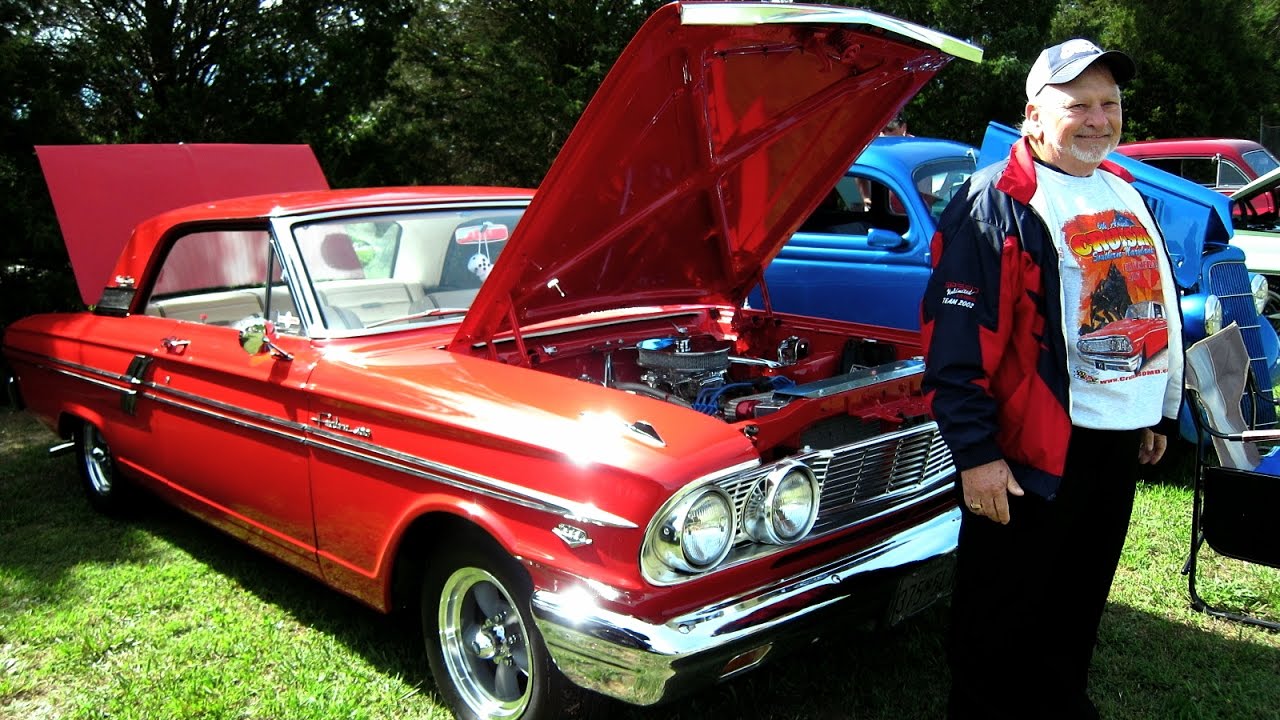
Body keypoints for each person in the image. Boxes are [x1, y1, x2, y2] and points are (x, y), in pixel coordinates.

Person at [920, 39, 1183, 719]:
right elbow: (955, 345)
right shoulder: (995, 201)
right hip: (1030, 450)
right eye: (1079, 106)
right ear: (1034, 115)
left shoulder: (1123, 189)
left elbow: (1155, 305)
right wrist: (976, 456)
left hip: (1115, 438)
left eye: (1110, 103)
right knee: (999, 616)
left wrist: (1156, 411)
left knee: (1076, 601)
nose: (1099, 118)